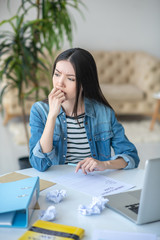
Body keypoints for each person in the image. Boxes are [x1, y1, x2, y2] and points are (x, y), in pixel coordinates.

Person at [29, 48, 140, 174]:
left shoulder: (104, 113)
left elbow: (131, 157)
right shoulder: (39, 111)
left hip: (94, 183)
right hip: (58, 186)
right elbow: (39, 163)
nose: (60, 83)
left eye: (70, 79)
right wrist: (52, 116)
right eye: (57, 74)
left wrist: (104, 164)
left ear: (84, 83)